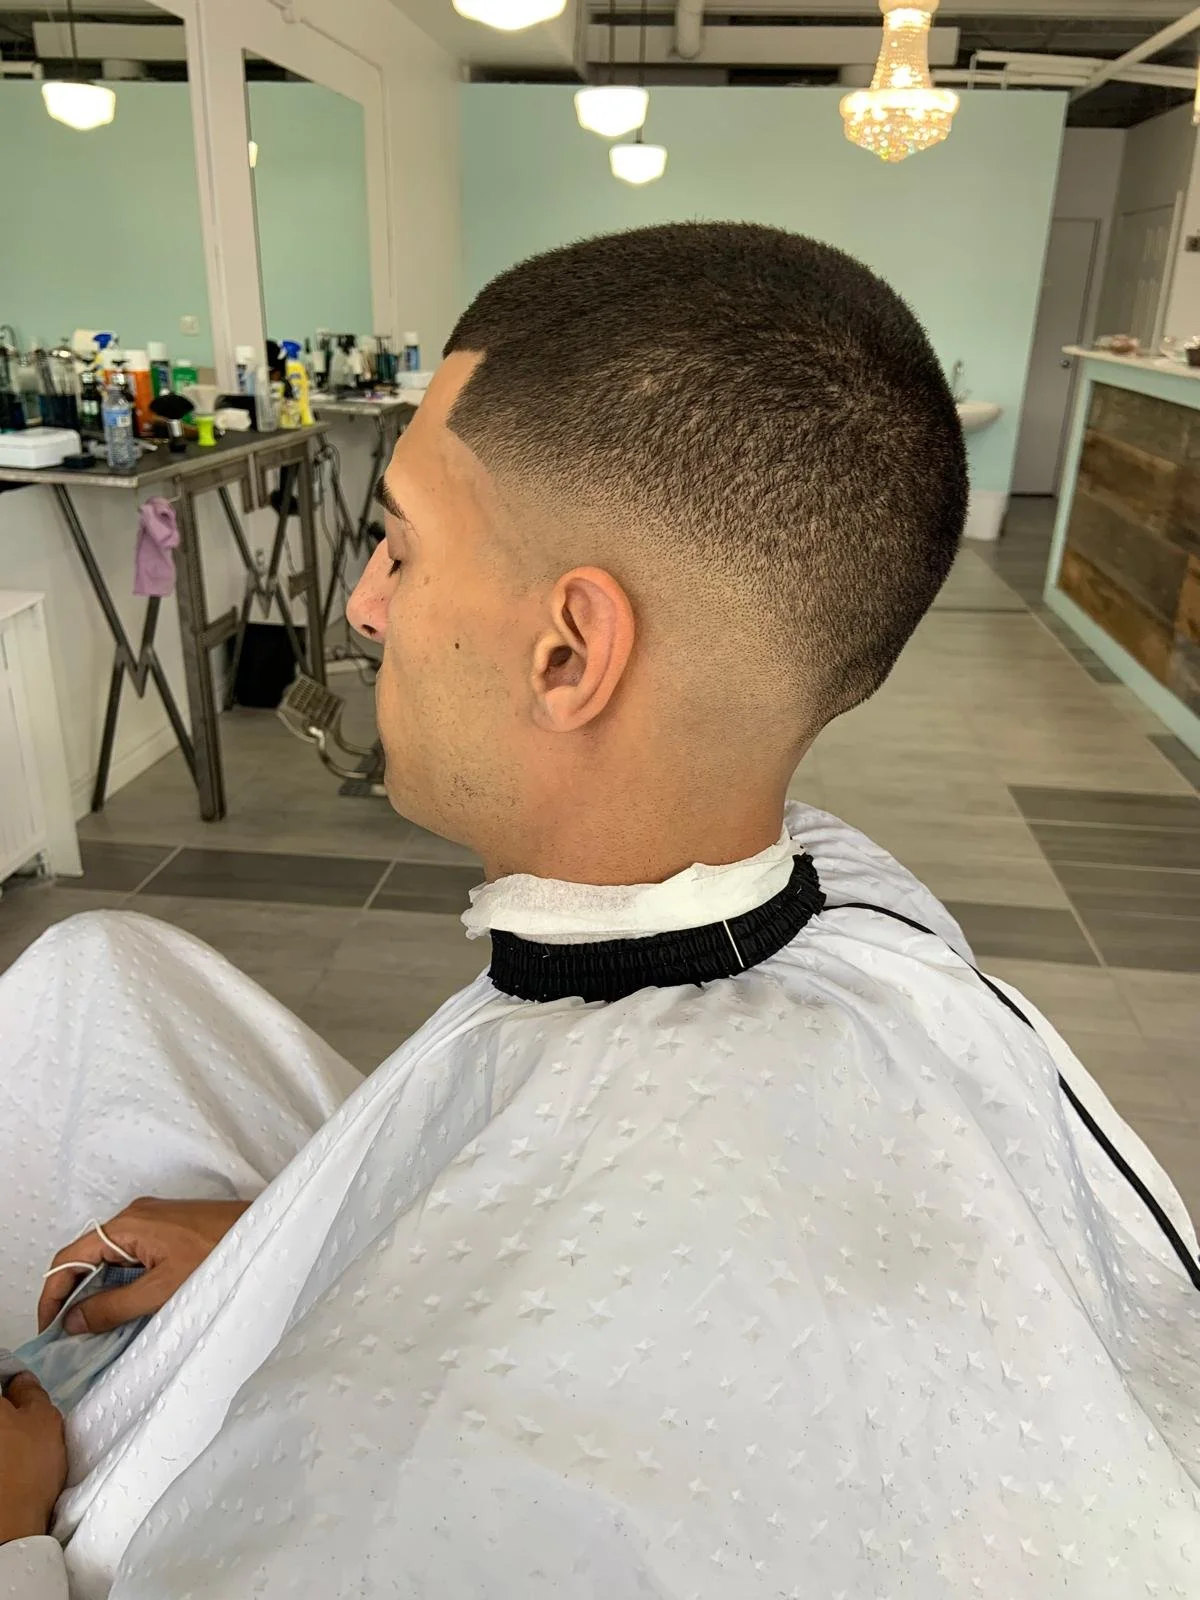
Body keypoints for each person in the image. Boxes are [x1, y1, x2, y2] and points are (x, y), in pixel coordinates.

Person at [1, 222, 1199, 1598]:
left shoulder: (430, 1494)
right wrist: (301, 1229)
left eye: (399, 543)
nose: (364, 604)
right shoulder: (851, 901)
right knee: (107, 965)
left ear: (569, 652)